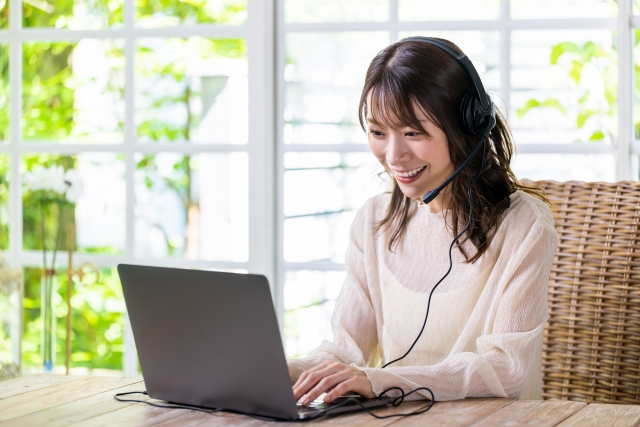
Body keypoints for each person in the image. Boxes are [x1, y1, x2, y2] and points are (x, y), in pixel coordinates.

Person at [287, 37, 559, 407]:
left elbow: (507, 368)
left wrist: (378, 380)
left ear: (467, 126)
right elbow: (346, 352)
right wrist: (273, 370)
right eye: (378, 132)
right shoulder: (374, 220)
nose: (394, 155)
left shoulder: (523, 225)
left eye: (413, 132)